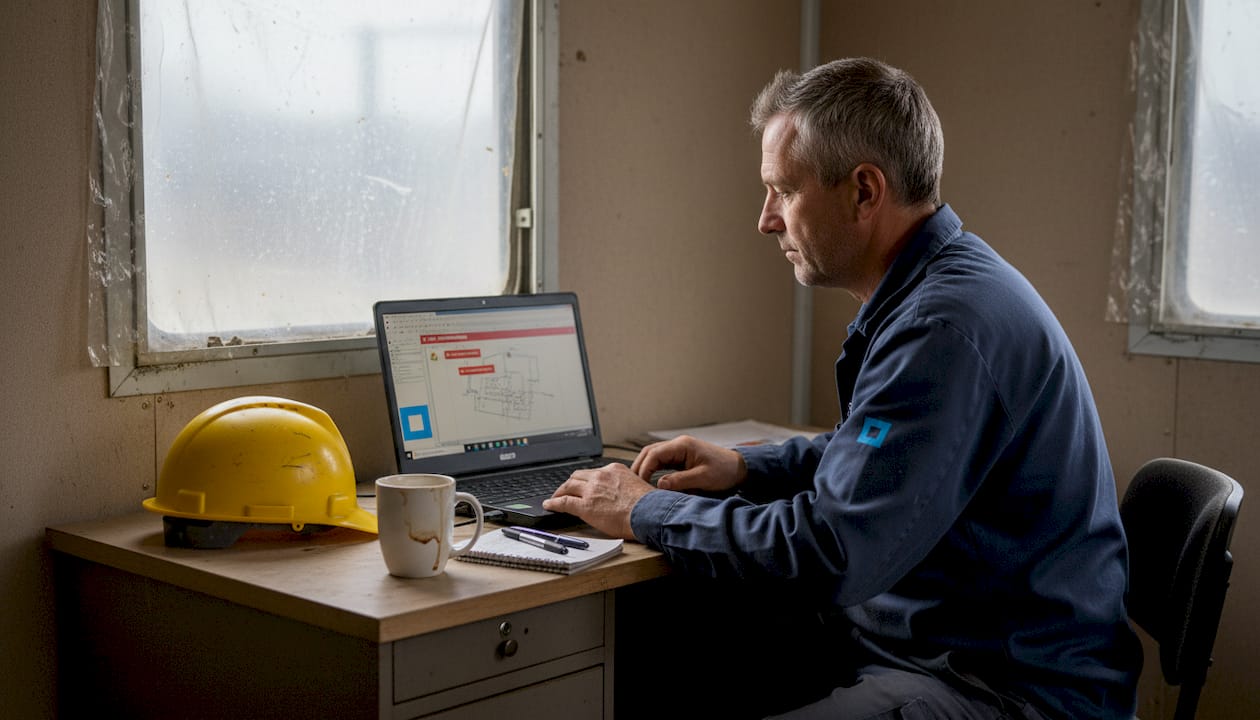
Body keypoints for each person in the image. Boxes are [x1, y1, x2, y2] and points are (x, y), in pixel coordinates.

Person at [543, 57, 1142, 719]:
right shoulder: (940, 290)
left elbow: (833, 550)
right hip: (943, 646)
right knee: (677, 646)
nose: (766, 220)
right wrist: (745, 467)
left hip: (1006, 689)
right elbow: (878, 454)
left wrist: (642, 511)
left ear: (863, 191)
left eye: (783, 190)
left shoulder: (942, 329)